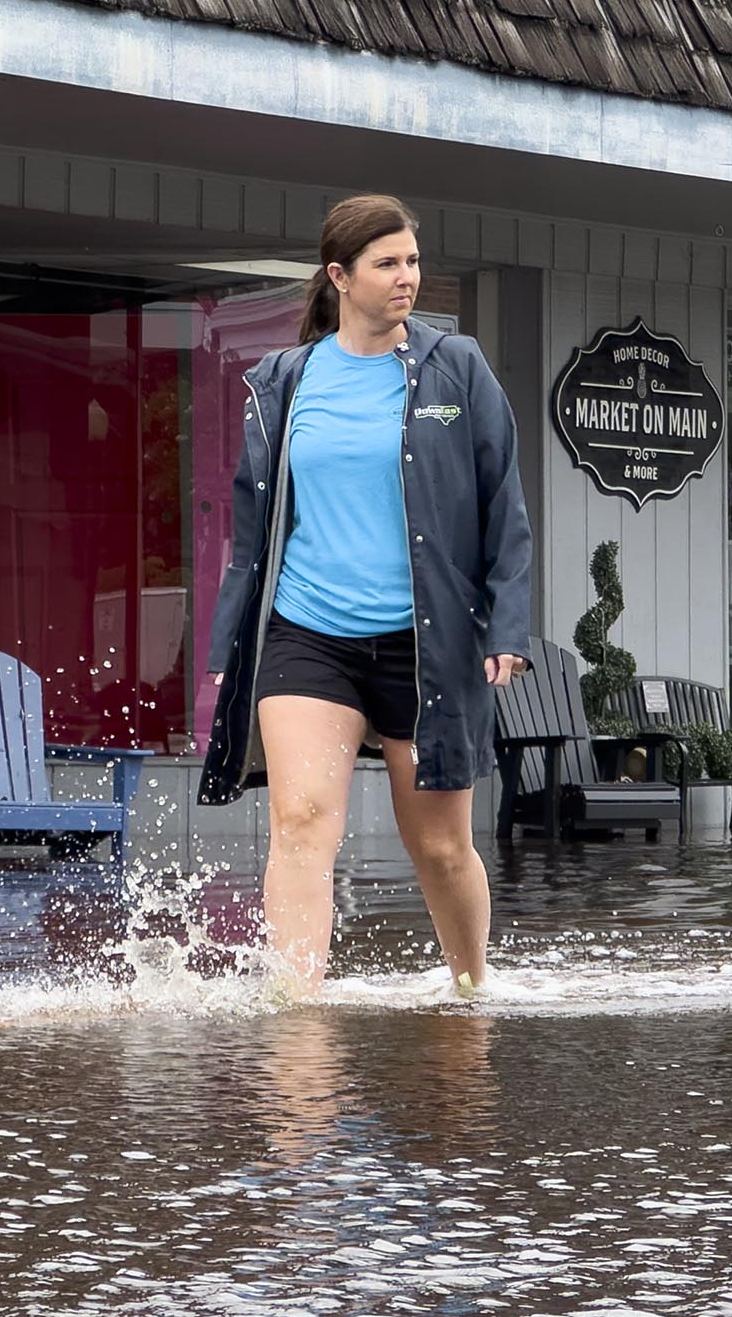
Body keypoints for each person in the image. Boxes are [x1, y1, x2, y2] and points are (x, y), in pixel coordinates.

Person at [199, 194, 533, 998]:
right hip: (307, 634)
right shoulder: (283, 382)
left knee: (441, 847)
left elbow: (505, 509)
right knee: (302, 823)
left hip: (427, 645)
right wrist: (228, 648)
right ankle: (296, 1009)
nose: (406, 277)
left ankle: (470, 987)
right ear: (340, 276)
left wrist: (506, 627)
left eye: (413, 260)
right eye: (387, 263)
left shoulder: (457, 369)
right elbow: (253, 536)